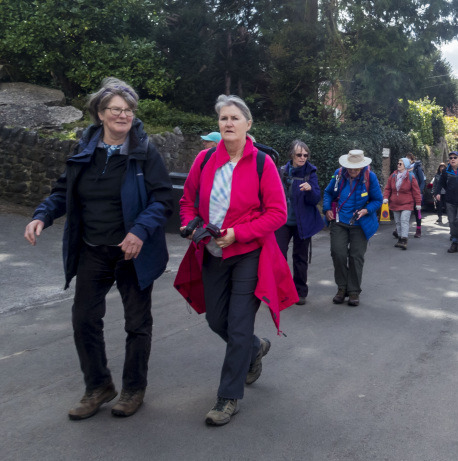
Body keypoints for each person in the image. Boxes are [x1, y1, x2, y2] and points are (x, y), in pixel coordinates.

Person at [23, 77, 172, 420]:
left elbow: (163, 198)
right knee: (84, 319)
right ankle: (98, 385)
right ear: (100, 113)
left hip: (132, 253)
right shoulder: (83, 150)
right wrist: (41, 216)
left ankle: (133, 389)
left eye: (129, 110)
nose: (124, 115)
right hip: (93, 249)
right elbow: (63, 191)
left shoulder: (144, 152)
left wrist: (139, 231)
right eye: (116, 109)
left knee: (137, 324)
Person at [176, 95, 297, 426]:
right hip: (211, 252)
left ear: (248, 124)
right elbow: (187, 201)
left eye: (234, 118)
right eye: (223, 118)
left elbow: (277, 213)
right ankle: (255, 348)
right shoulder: (203, 161)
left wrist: (238, 233)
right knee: (217, 321)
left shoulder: (262, 164)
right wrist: (190, 224)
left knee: (239, 323)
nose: (227, 123)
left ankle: (227, 397)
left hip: (248, 254)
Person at [323, 150, 383, 306]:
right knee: (338, 253)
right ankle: (342, 288)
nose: (353, 171)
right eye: (350, 168)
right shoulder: (338, 174)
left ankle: (354, 291)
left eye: (356, 169)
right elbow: (328, 193)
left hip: (360, 223)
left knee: (356, 257)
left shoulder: (370, 177)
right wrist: (327, 208)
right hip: (339, 221)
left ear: (362, 166)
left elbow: (378, 200)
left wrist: (366, 210)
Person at [275, 140, 325, 306]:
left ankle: (300, 291)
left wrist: (310, 189)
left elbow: (315, 199)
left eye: (305, 155)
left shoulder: (310, 173)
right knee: (278, 256)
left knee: (300, 257)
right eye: (299, 154)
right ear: (292, 155)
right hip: (282, 221)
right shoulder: (281, 171)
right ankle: (281, 290)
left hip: (302, 222)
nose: (303, 157)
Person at [384, 157, 422, 250]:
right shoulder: (393, 176)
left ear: (405, 165)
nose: (398, 165)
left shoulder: (410, 176)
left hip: (407, 203)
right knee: (398, 222)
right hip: (395, 203)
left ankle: (404, 239)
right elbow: (388, 188)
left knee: (404, 221)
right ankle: (400, 238)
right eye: (398, 163)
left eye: (400, 164)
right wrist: (385, 197)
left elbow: (416, 191)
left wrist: (418, 203)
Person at [405, 153, 426, 238]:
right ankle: (399, 230)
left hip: (416, 193)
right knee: (404, 211)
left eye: (409, 159)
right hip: (406, 194)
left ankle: (418, 230)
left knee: (417, 212)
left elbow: (422, 181)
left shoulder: (417, 168)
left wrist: (419, 192)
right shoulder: (404, 168)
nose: (407, 160)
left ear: (412, 160)